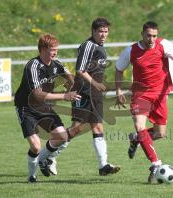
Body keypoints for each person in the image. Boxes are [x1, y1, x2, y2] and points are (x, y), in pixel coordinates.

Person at [115, 21, 173, 183]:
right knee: (140, 126)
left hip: (161, 95)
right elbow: (119, 69)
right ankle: (156, 164)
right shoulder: (131, 50)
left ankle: (135, 139)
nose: (151, 39)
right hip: (141, 95)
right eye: (148, 35)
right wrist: (119, 90)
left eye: (154, 36)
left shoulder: (163, 45)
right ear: (142, 34)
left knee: (159, 133)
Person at [48, 17, 120, 176]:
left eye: (106, 31)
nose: (103, 34)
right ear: (93, 31)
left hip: (95, 94)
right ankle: (50, 156)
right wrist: (94, 83)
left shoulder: (101, 47)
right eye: (100, 31)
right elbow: (80, 70)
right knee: (76, 129)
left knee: (98, 126)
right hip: (82, 92)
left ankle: (103, 165)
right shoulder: (88, 45)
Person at [14, 33, 81, 183]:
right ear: (43, 49)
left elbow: (69, 75)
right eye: (52, 49)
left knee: (62, 136)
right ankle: (32, 176)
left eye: (56, 49)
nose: (55, 52)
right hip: (26, 107)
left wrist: (71, 83)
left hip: (43, 106)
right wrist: (64, 96)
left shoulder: (56, 64)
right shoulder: (33, 66)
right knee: (36, 147)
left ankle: (44, 160)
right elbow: (37, 94)